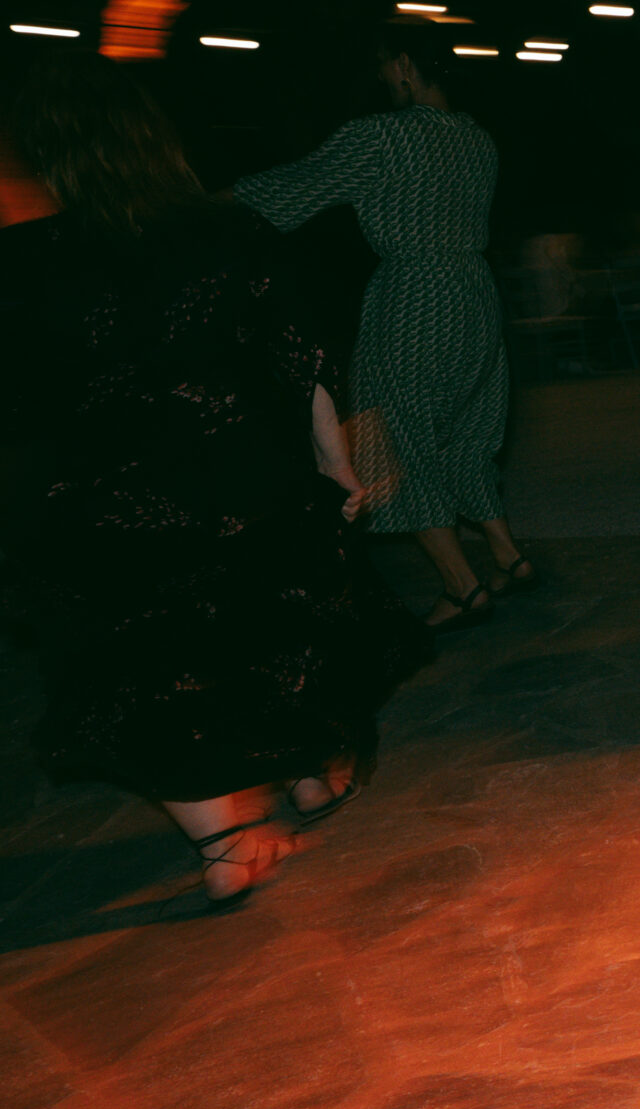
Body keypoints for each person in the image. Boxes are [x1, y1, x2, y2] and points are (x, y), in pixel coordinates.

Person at [3, 56, 425, 905]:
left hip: (95, 500)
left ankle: (225, 840)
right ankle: (308, 772)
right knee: (276, 622)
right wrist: (336, 460)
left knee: (137, 665)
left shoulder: (22, 263)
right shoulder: (222, 229)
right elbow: (296, 353)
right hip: (235, 474)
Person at [232, 46, 527, 627]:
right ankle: (508, 556)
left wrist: (190, 204)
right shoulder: (478, 138)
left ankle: (461, 587)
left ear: (405, 65)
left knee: (392, 433)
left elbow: (294, 186)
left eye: (385, 66)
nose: (382, 77)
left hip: (415, 296)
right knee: (469, 429)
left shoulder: (381, 135)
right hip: (475, 290)